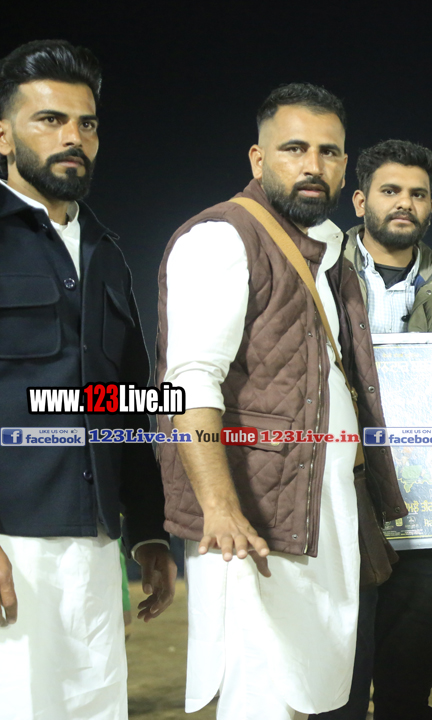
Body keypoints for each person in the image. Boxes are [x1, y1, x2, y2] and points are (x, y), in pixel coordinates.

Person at [156, 83, 404, 720]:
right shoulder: (222, 238)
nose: (312, 165)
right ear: (258, 158)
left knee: (308, 698)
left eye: (329, 152)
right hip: (253, 525)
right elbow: (190, 381)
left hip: (322, 517)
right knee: (261, 699)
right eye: (294, 149)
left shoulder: (329, 254)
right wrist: (220, 509)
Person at [0, 39, 176, 720]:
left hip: (97, 552)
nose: (73, 137)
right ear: (4, 135)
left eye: (87, 123)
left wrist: (149, 532)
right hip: (13, 546)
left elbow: (127, 406)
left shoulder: (106, 254)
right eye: (50, 120)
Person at [315, 139, 432, 720]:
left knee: (408, 693)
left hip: (427, 513)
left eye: (417, 194)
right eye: (390, 191)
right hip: (341, 503)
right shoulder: (317, 270)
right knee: (338, 694)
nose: (404, 203)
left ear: (430, 207)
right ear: (360, 201)